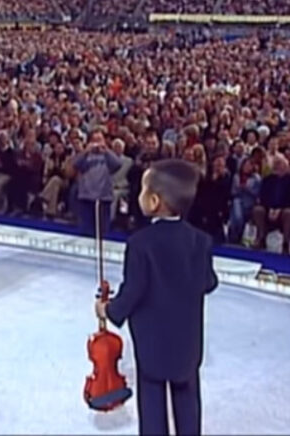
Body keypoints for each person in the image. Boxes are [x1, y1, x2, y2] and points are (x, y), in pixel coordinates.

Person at [96, 159, 219, 435]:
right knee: (187, 400)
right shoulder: (201, 240)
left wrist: (107, 309)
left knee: (152, 405)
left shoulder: (140, 244)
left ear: (154, 201)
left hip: (153, 344)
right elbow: (208, 282)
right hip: (188, 344)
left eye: (142, 189)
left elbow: (133, 292)